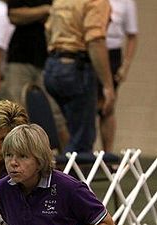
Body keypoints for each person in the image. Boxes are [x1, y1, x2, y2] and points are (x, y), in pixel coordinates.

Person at [44, 0, 115, 155]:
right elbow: (95, 40)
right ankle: (71, 177)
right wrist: (108, 85)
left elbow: (48, 30)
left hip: (53, 65)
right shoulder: (96, 1)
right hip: (76, 67)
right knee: (82, 137)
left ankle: (61, 170)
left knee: (66, 130)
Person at [1, 0, 69, 151]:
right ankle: (13, 156)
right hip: (20, 58)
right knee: (14, 113)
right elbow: (14, 15)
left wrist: (32, 13)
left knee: (56, 114)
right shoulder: (47, 6)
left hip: (47, 59)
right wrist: (45, 10)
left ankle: (71, 163)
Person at [98, 0, 138, 153]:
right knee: (88, 105)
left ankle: (107, 155)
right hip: (91, 49)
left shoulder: (127, 2)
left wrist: (125, 66)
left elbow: (133, 36)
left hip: (113, 53)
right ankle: (82, 157)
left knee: (107, 106)